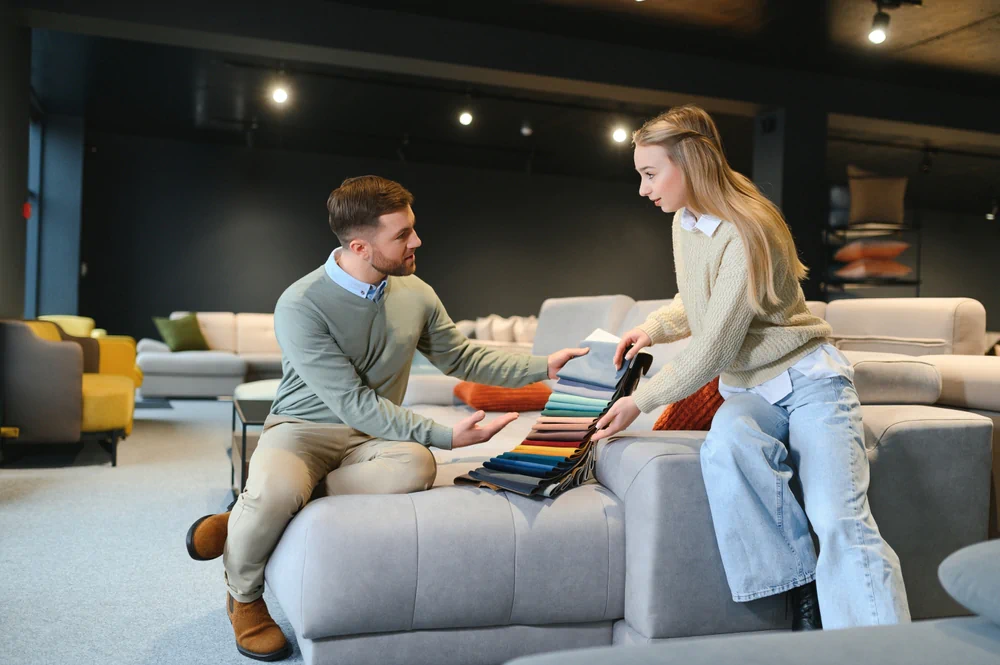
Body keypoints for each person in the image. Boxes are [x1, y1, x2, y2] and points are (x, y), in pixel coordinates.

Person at [185, 175, 588, 661]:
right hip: (301, 430)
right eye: (402, 235)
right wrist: (445, 434)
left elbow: (462, 358)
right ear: (360, 246)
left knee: (415, 466)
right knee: (274, 490)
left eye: (412, 228)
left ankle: (248, 517)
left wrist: (543, 366)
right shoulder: (300, 304)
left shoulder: (415, 292)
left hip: (372, 437)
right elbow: (351, 401)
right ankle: (244, 598)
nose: (417, 241)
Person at [591, 105, 909, 631]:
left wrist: (639, 401)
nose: (644, 189)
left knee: (838, 518)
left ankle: (882, 650)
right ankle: (800, 590)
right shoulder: (685, 223)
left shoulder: (747, 230)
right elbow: (697, 301)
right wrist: (655, 328)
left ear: (689, 164)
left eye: (650, 174)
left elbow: (715, 348)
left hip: (810, 382)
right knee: (727, 447)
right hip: (753, 391)